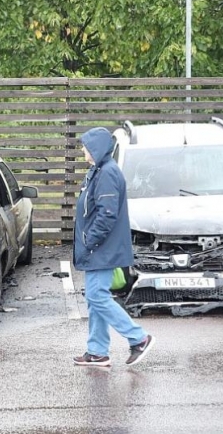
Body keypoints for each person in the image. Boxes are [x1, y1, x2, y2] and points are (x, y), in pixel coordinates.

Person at [72, 127, 155, 367]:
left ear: (96, 147)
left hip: (101, 249)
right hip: (98, 249)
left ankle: (138, 338)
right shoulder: (98, 171)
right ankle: (97, 351)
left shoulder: (107, 173)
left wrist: (90, 240)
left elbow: (106, 214)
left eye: (85, 146)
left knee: (97, 296)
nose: (82, 150)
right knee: (95, 298)